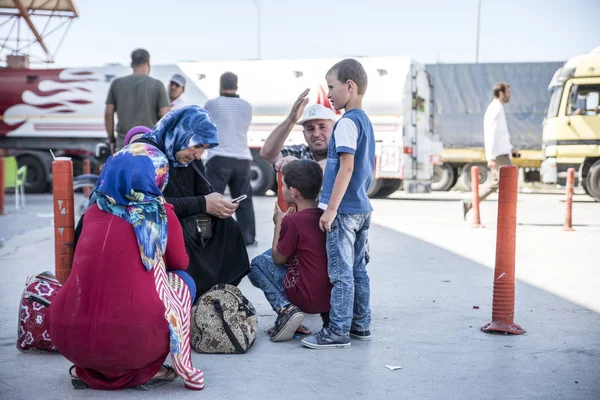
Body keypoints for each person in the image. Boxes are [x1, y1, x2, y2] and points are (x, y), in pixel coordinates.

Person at [47, 143, 204, 390]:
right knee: (184, 281)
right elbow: (180, 263)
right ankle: (148, 368)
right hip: (135, 343)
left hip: (69, 339)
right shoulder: (160, 213)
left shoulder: (93, 212)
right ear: (157, 176)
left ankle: (94, 365)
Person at [136, 105, 250, 300]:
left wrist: (219, 204)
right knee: (179, 234)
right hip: (155, 223)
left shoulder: (189, 158)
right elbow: (150, 205)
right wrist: (203, 203)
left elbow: (202, 192)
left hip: (188, 219)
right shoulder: (149, 155)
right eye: (197, 146)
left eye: (203, 149)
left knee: (228, 227)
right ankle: (193, 296)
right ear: (181, 133)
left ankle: (218, 294)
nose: (198, 155)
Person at [301, 59, 375, 350]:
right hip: (361, 207)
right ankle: (361, 325)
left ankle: (338, 332)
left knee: (341, 273)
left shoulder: (345, 123)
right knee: (358, 270)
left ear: (350, 86)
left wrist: (330, 209)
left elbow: (346, 167)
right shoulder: (365, 121)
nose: (329, 94)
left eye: (331, 87)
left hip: (343, 212)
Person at [248, 160, 331, 342]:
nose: (282, 188)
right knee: (267, 257)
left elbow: (278, 259)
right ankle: (296, 316)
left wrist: (279, 223)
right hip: (326, 299)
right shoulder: (324, 215)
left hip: (305, 297)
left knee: (258, 264)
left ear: (294, 192)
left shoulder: (292, 221)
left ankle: (286, 310)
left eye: (283, 185)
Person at [204, 72, 256, 246]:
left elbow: (207, 127)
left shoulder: (211, 105)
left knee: (214, 200)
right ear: (237, 86)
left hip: (219, 158)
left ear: (220, 86)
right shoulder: (246, 106)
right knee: (244, 200)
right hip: (242, 158)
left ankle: (210, 237)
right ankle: (247, 237)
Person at [461, 82, 519, 219]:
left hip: (502, 152)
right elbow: (491, 133)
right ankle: (506, 214)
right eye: (508, 93)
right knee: (503, 182)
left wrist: (511, 148)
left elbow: (501, 134)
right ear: (501, 93)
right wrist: (491, 156)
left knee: (500, 182)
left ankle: (470, 203)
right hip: (498, 154)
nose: (509, 95)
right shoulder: (495, 108)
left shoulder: (498, 108)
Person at [104, 48, 171, 153]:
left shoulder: (116, 84)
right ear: (148, 62)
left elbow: (108, 113)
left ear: (131, 64)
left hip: (123, 144)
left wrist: (111, 140)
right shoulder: (157, 85)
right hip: (149, 146)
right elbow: (165, 116)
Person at [260, 90, 336, 172]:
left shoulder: (342, 154)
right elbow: (267, 154)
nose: (316, 134)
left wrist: (299, 166)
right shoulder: (300, 152)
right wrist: (291, 120)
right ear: (304, 134)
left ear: (335, 130)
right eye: (310, 129)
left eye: (322, 127)